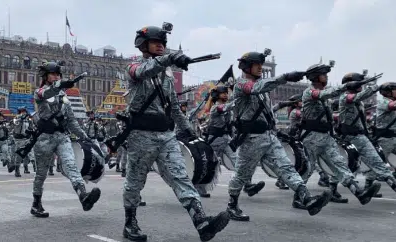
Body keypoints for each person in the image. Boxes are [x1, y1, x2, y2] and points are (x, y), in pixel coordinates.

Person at [122, 24, 229, 242]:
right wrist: (171, 59)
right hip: (141, 135)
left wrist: (188, 131)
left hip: (166, 135)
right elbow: (144, 71)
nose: (161, 46)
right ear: (143, 46)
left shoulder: (166, 76)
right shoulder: (133, 68)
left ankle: (201, 222)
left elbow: (172, 106)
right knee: (135, 181)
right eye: (156, 42)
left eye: (163, 43)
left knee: (181, 176)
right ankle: (130, 222)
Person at [227, 51, 332, 222]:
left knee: (286, 167)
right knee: (242, 174)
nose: (260, 68)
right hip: (251, 138)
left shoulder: (262, 86)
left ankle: (305, 198)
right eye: (257, 65)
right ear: (247, 67)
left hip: (269, 137)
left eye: (262, 64)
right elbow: (255, 89)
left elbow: (267, 112)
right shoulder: (241, 84)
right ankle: (232, 205)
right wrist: (285, 76)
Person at [301, 63, 381, 205]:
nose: (326, 76)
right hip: (311, 137)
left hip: (326, 137)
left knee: (340, 165)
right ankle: (300, 199)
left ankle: (359, 193)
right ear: (315, 77)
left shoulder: (326, 98)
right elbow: (325, 94)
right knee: (308, 169)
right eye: (323, 74)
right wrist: (346, 86)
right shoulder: (310, 92)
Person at [31, 61, 101, 218]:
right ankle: (36, 203)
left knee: (71, 166)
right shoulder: (39, 92)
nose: (56, 76)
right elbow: (46, 94)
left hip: (62, 137)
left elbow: (72, 121)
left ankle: (83, 196)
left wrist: (86, 137)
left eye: (58, 74)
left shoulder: (64, 97)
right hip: (44, 139)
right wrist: (60, 85)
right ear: (45, 76)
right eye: (53, 74)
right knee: (41, 174)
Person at [339, 75, 396, 193]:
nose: (361, 85)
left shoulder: (359, 103)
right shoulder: (345, 98)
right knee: (350, 164)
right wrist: (375, 87)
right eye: (358, 83)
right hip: (364, 137)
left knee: (376, 161)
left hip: (363, 136)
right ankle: (367, 185)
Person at [376, 82, 396, 179]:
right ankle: (369, 184)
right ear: (388, 92)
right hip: (385, 138)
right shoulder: (384, 101)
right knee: (379, 161)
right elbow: (392, 106)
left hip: (393, 137)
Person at [10, 106, 36, 176]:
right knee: (19, 154)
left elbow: (32, 127)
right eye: (22, 111)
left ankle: (33, 165)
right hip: (19, 139)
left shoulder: (28, 120)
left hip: (27, 139)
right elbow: (15, 123)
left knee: (31, 152)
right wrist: (21, 118)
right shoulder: (16, 118)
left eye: (24, 111)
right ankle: (17, 169)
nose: (23, 113)